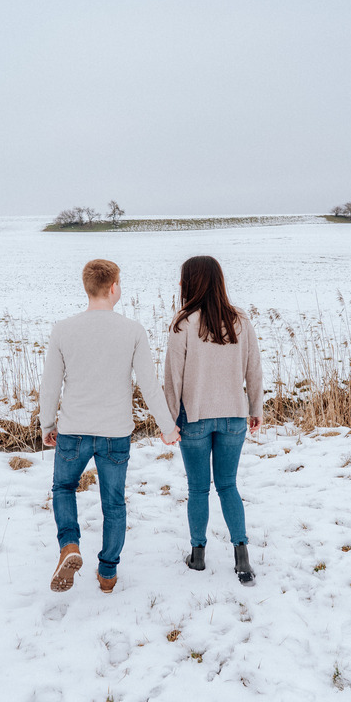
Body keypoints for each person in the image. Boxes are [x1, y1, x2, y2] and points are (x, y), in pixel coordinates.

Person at [40, 259, 180, 595]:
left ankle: (70, 546)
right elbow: (149, 385)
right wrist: (167, 427)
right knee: (113, 503)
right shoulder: (132, 330)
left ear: (87, 288)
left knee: (63, 488)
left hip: (73, 430)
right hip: (115, 434)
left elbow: (50, 384)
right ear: (114, 287)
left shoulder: (63, 329)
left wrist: (47, 423)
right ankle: (107, 573)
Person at [164, 255, 263, 586]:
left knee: (197, 488)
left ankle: (198, 555)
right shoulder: (241, 322)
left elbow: (172, 379)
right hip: (234, 416)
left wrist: (169, 421)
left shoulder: (183, 324)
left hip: (195, 418)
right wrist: (255, 408)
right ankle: (242, 556)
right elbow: (254, 370)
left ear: (191, 283)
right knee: (228, 484)